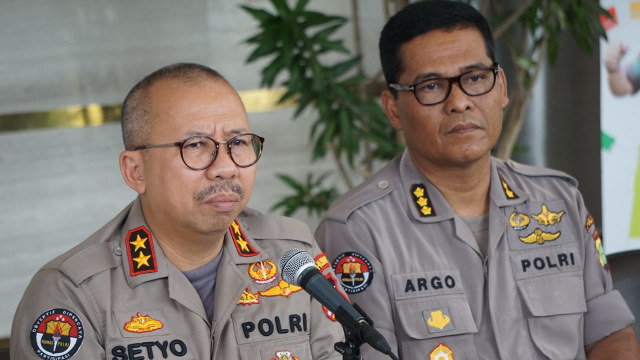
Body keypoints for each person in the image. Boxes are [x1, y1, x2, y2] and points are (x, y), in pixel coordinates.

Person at [316, 1, 640, 359]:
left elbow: (609, 334)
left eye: (474, 78)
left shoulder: (557, 199)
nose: (459, 102)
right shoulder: (358, 228)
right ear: (393, 107)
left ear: (501, 86)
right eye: (431, 85)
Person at [11, 63, 344, 359]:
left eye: (239, 142)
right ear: (135, 172)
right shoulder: (73, 292)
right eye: (196, 145)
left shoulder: (292, 254)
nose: (225, 168)